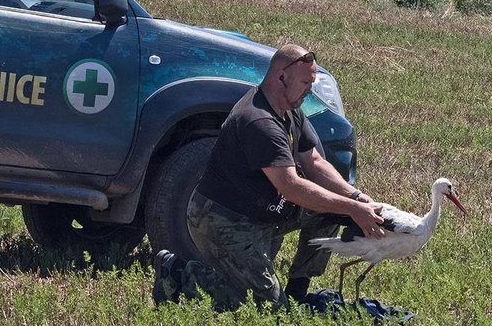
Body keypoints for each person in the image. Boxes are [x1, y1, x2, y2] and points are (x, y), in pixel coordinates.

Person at [153, 44, 385, 311]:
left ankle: (298, 288)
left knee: (333, 212)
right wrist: (353, 208)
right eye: (305, 82)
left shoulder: (290, 107)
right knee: (266, 308)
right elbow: (291, 187)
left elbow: (314, 161)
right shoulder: (259, 121)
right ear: (281, 77)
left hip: (265, 212)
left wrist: (353, 197)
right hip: (224, 220)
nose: (310, 89)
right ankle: (180, 273)